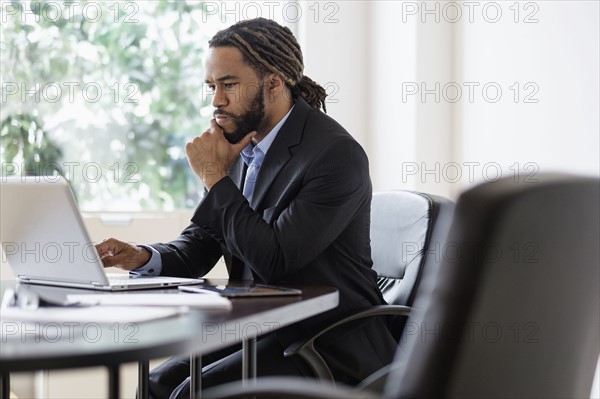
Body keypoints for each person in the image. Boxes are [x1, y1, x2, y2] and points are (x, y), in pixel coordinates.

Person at [96, 17, 397, 399]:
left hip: (325, 340)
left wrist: (214, 177)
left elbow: (275, 259)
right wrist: (141, 257)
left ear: (273, 83)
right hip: (263, 329)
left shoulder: (335, 155)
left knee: (191, 393)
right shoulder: (239, 150)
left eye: (229, 85)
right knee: (155, 385)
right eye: (211, 86)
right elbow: (200, 244)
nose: (216, 100)